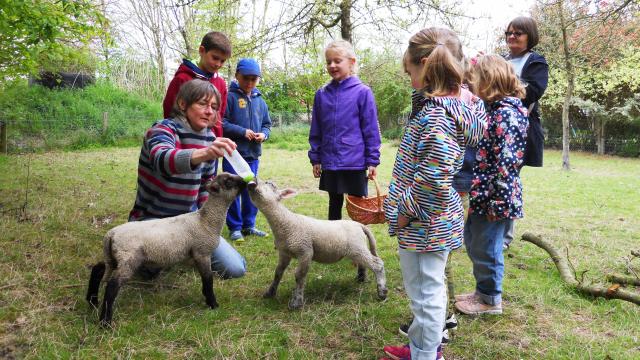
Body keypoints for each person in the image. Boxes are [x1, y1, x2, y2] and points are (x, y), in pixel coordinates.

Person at [382, 28, 486, 360]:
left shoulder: (437, 114)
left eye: (410, 70)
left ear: (425, 64)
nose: (408, 76)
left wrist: (404, 211)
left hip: (424, 224)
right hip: (431, 223)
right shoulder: (445, 107)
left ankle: (426, 354)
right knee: (428, 289)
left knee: (426, 295)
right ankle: (420, 347)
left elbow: (435, 178)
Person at [130, 79, 247, 279]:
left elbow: (205, 188)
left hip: (189, 223)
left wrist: (207, 227)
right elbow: (163, 160)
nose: (209, 111)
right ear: (183, 104)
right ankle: (174, 254)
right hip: (152, 221)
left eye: (214, 107)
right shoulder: (162, 130)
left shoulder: (210, 138)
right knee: (147, 272)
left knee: (235, 269)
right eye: (202, 104)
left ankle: (186, 250)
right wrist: (204, 153)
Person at [453, 54, 528, 315]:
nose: (471, 86)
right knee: (473, 239)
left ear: (489, 81)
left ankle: (490, 300)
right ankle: (481, 290)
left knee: (487, 246)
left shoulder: (507, 114)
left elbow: (507, 163)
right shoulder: (494, 110)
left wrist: (497, 200)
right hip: (483, 193)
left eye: (474, 80)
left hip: (497, 196)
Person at [308, 40, 381, 221]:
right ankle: (334, 244)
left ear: (352, 62)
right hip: (330, 161)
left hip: (354, 161)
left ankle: (357, 244)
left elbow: (370, 129)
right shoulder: (321, 94)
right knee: (334, 203)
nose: (332, 65)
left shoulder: (363, 92)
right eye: (328, 62)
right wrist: (315, 158)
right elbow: (316, 129)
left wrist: (372, 160)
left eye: (337, 61)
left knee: (358, 207)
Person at [502, 16, 549, 249]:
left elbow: (532, 92)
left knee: (509, 179)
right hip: (495, 130)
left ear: (530, 36)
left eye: (517, 33)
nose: (512, 37)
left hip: (519, 131)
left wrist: (500, 82)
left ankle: (504, 238)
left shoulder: (536, 62)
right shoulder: (501, 60)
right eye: (509, 33)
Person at [222, 58, 272, 242]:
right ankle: (235, 227)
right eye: (246, 78)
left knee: (251, 190)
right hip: (233, 155)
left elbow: (267, 124)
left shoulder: (261, 101)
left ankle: (249, 225)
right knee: (232, 191)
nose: (250, 83)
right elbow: (221, 123)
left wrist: (264, 135)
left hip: (253, 155)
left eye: (254, 79)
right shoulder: (229, 97)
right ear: (237, 76)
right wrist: (242, 132)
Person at [163, 31, 232, 137]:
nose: (218, 64)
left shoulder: (221, 83)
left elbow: (219, 116)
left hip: (212, 144)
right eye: (215, 58)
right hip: (185, 143)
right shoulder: (182, 78)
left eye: (222, 61)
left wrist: (217, 139)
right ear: (202, 51)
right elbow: (170, 113)